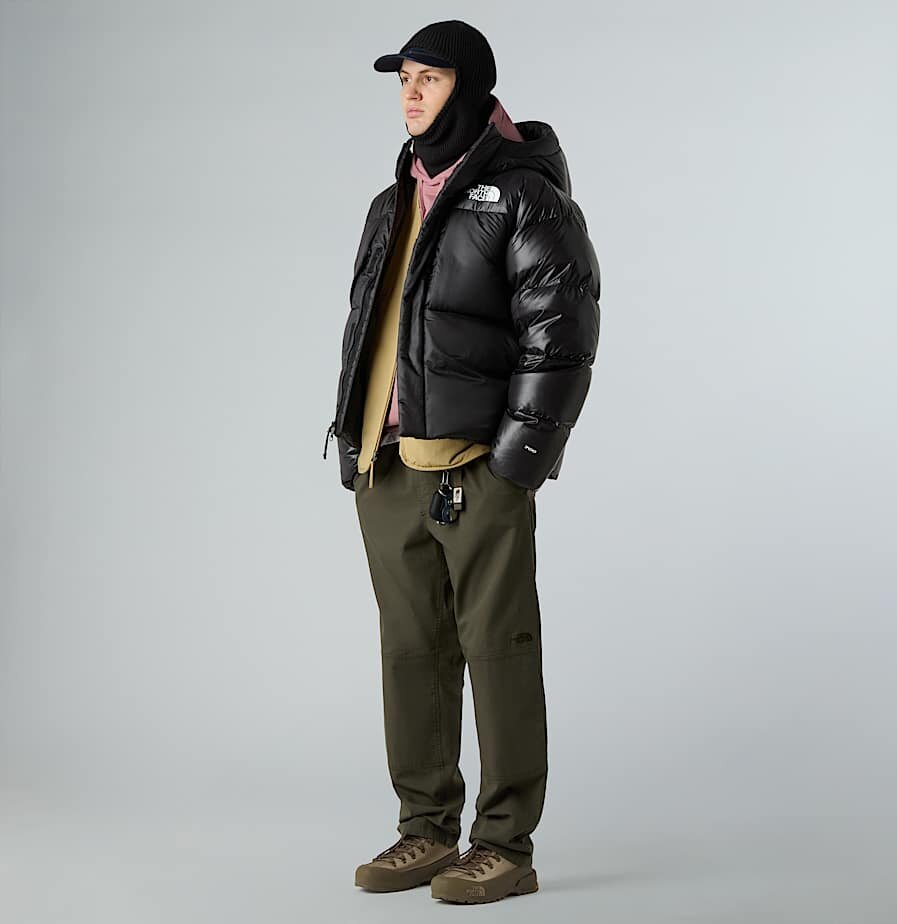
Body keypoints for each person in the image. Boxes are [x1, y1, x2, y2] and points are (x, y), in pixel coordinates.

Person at [322, 19, 601, 904]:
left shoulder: (523, 196)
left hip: (475, 468)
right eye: (403, 78)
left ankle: (505, 845)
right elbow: (369, 333)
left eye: (429, 78)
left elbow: (563, 336)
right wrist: (354, 442)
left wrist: (515, 464)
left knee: (498, 649)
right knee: (411, 651)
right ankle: (425, 830)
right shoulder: (391, 201)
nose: (410, 93)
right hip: (389, 466)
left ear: (471, 88)